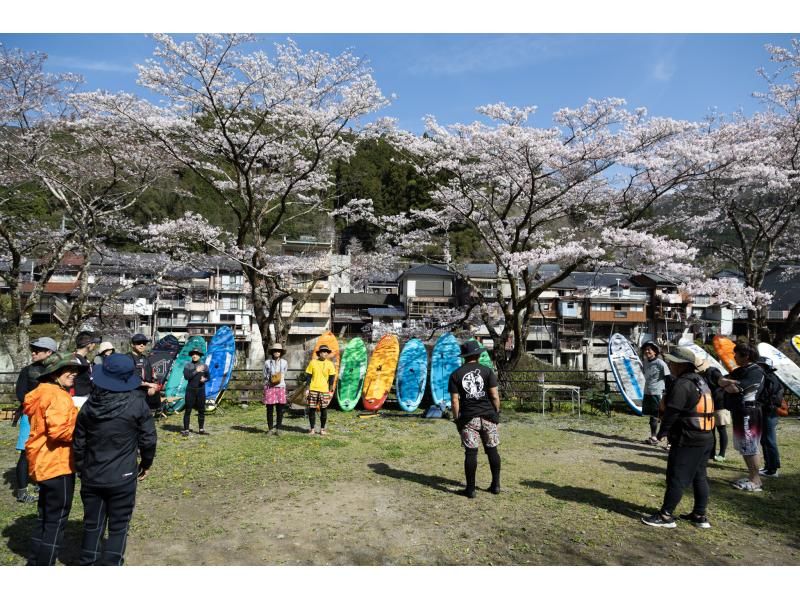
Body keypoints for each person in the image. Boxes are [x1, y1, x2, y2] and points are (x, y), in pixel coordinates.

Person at [73, 353, 157, 565]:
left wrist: (82, 469)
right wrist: (146, 464)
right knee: (119, 526)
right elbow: (148, 440)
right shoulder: (137, 404)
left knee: (92, 524)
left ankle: (88, 563)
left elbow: (79, 443)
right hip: (123, 475)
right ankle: (111, 565)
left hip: (93, 475)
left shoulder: (89, 407)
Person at [23, 353, 86, 565]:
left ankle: (34, 561)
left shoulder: (40, 392)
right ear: (55, 373)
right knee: (56, 521)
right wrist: (82, 427)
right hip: (58, 464)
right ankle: (43, 566)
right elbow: (59, 433)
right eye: (68, 370)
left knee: (44, 517)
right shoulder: (59, 396)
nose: (74, 374)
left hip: (41, 462)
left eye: (75, 370)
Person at [641, 345, 715, 529]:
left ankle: (666, 516)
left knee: (676, 476)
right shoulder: (700, 381)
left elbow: (672, 413)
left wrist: (661, 434)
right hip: (706, 437)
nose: (670, 365)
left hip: (688, 438)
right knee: (699, 476)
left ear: (680, 365)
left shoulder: (682, 384)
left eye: (672, 362)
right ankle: (699, 514)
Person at [449, 339, 502, 499]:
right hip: (488, 416)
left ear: (464, 357)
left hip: (468, 418)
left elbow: (454, 400)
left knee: (471, 453)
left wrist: (457, 419)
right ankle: (495, 485)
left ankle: (470, 489)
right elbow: (494, 395)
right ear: (478, 354)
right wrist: (496, 414)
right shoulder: (487, 371)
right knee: (492, 450)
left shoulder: (456, 374)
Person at [12, 337, 57, 503]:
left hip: (51, 416)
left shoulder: (56, 371)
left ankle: (41, 481)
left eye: (37, 350)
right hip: (29, 416)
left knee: (46, 450)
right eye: (33, 349)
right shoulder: (27, 371)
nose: (33, 353)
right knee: (26, 452)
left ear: (49, 352)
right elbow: (21, 394)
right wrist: (36, 408)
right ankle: (22, 492)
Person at [718, 343, 764, 492]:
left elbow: (735, 388)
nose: (734, 356)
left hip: (749, 412)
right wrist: (728, 383)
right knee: (744, 446)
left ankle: (756, 480)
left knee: (750, 446)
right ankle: (751, 476)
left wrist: (728, 384)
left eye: (737, 354)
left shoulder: (756, 371)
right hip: (739, 410)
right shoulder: (739, 371)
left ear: (747, 356)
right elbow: (720, 381)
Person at [756, 356, 782, 478]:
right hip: (767, 412)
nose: (758, 367)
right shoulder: (769, 378)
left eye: (760, 365)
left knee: (769, 440)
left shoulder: (770, 379)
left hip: (769, 413)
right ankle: (768, 466)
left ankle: (773, 469)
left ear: (766, 367)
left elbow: (768, 398)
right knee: (764, 440)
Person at [641, 342, 671, 446]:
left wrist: (667, 393)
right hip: (647, 391)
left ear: (655, 351)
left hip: (658, 392)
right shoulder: (645, 362)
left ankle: (669, 440)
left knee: (662, 416)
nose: (647, 351)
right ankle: (654, 437)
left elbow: (668, 378)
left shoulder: (661, 363)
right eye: (645, 349)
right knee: (652, 416)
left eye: (649, 349)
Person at [305, 345, 336, 435]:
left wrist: (330, 391)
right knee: (312, 409)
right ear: (319, 353)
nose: (325, 353)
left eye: (326, 352)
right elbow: (308, 377)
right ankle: (312, 429)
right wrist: (307, 389)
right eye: (323, 351)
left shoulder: (330, 364)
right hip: (313, 389)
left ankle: (322, 429)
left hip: (324, 390)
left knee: (324, 409)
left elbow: (331, 379)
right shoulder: (313, 362)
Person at [128, 333, 161, 414]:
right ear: (132, 344)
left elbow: (151, 375)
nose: (142, 345)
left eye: (144, 343)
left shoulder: (145, 358)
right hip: (132, 395)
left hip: (145, 396)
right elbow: (130, 379)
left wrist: (153, 385)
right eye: (139, 343)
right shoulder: (127, 358)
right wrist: (148, 385)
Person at [263, 343, 288, 435]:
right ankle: (270, 428)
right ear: (272, 352)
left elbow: (284, 373)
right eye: (275, 351)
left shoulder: (285, 362)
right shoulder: (267, 363)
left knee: (280, 409)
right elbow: (265, 375)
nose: (277, 352)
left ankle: (278, 428)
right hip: (270, 387)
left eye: (278, 351)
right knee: (269, 409)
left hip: (281, 387)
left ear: (281, 352)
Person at [182, 348, 208, 437]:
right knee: (188, 410)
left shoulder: (204, 366)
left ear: (200, 356)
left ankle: (201, 429)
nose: (194, 356)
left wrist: (205, 379)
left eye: (196, 354)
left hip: (201, 390)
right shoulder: (188, 365)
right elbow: (187, 377)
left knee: (201, 410)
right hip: (190, 390)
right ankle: (186, 430)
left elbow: (209, 377)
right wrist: (196, 370)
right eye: (193, 354)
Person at [72, 331, 101, 409]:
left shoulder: (84, 360)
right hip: (77, 401)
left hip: (85, 399)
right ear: (88, 345)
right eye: (93, 343)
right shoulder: (74, 361)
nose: (94, 345)